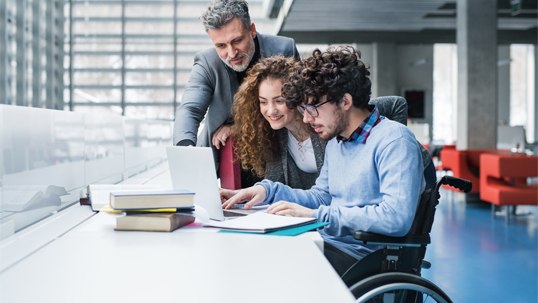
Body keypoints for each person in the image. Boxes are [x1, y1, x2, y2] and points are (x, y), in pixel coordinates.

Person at [222, 46, 425, 276]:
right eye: (303, 109)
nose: (307, 118)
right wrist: (269, 190)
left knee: (271, 263)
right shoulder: (337, 143)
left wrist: (317, 215)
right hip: (330, 243)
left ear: (345, 101)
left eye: (312, 108)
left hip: (365, 258)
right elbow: (322, 197)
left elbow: (395, 218)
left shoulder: (394, 140)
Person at [172, 0, 300, 176]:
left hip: (277, 152)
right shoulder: (207, 62)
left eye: (237, 40)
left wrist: (239, 127)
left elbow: (297, 106)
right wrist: (184, 148)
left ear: (252, 30)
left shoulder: (284, 49)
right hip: (227, 156)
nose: (232, 53)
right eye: (221, 46)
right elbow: (190, 109)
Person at [230, 55, 326, 191]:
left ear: (296, 97)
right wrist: (245, 194)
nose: (271, 110)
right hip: (299, 209)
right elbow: (273, 181)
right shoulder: (275, 134)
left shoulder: (323, 127)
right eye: (263, 102)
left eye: (279, 101)